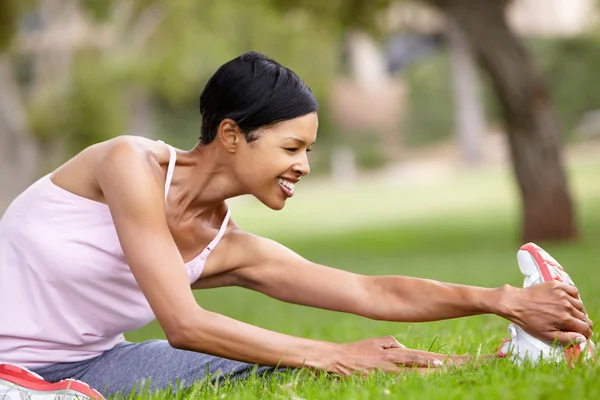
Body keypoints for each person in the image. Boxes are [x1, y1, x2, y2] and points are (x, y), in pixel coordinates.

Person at [0, 51, 593, 398]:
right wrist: (332, 353)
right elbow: (183, 323)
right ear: (231, 135)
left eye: (308, 151)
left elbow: (368, 291)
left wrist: (504, 300)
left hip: (98, 361)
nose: (302, 166)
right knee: (311, 356)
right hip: (9, 363)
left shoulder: (226, 246)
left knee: (268, 360)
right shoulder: (127, 164)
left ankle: (513, 361)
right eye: (291, 148)